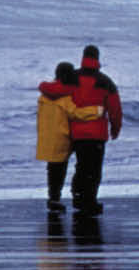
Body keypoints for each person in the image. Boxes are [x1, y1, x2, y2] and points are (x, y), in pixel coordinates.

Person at [44, 45, 123, 215]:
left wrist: (43, 86)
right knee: (92, 170)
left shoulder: (73, 77)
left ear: (83, 57)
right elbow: (115, 108)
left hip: (74, 132)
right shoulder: (106, 82)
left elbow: (54, 90)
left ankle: (75, 196)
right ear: (97, 58)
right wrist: (115, 128)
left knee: (79, 167)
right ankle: (87, 200)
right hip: (96, 134)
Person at [36, 62, 104, 212]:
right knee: (63, 170)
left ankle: (53, 199)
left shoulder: (44, 95)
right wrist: (97, 110)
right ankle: (63, 197)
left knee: (53, 170)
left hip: (48, 137)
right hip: (62, 137)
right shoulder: (64, 96)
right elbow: (76, 113)